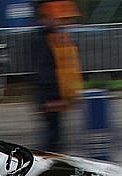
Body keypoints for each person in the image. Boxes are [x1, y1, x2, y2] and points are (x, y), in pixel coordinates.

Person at [33, 0, 83, 152]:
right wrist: (50, 99)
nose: (68, 24)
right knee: (52, 135)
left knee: (55, 134)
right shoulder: (45, 40)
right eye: (64, 20)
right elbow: (45, 71)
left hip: (57, 94)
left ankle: (51, 157)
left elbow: (67, 67)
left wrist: (71, 93)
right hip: (51, 95)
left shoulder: (58, 38)